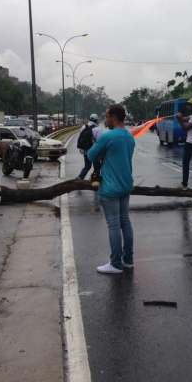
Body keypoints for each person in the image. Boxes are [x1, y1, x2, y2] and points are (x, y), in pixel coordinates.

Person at [87, 105, 136, 275]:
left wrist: (98, 143)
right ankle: (128, 260)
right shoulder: (129, 137)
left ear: (113, 117)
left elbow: (91, 155)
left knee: (113, 225)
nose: (105, 119)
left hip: (110, 187)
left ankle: (115, 263)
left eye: (106, 116)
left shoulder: (108, 136)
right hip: (125, 185)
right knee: (125, 222)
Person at [77, 114, 102, 180]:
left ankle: (80, 178)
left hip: (85, 150)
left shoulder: (84, 127)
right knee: (97, 167)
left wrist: (81, 148)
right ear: (96, 120)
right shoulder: (97, 129)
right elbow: (99, 141)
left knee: (87, 166)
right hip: (94, 151)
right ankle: (94, 179)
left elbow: (80, 137)